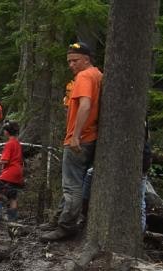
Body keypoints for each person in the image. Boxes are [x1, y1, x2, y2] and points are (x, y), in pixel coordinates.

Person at [42, 41, 102, 242]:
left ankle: (66, 226)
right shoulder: (98, 75)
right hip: (91, 137)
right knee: (72, 182)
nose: (71, 65)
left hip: (80, 139)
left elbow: (85, 105)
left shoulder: (85, 76)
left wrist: (75, 135)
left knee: (72, 186)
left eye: (75, 60)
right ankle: (59, 218)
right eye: (69, 61)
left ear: (86, 59)